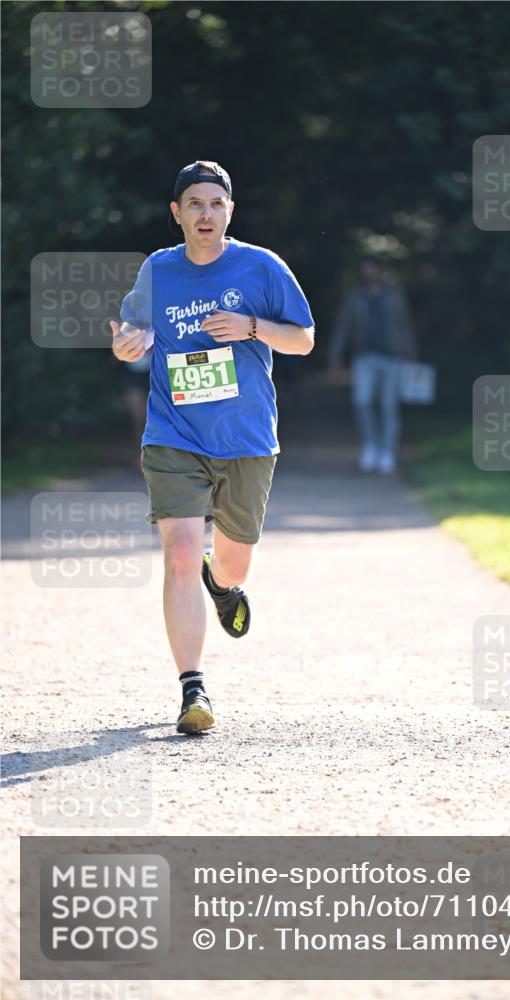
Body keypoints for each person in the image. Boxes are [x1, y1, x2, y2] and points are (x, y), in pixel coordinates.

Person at [110, 160, 315, 735]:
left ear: (230, 211)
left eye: (215, 204)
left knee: (233, 561)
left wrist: (251, 326)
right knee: (178, 553)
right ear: (177, 214)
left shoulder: (262, 267)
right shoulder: (158, 270)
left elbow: (303, 339)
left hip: (246, 438)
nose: (206, 213)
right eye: (194, 204)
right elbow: (133, 336)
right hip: (174, 434)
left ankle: (221, 585)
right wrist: (128, 346)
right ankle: (192, 689)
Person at [328, 258, 417, 474]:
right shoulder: (355, 296)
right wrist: (336, 354)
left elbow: (404, 324)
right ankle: (370, 446)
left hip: (392, 357)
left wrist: (411, 353)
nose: (368, 273)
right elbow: (345, 326)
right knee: (362, 402)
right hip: (365, 356)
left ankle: (387, 452)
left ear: (380, 270)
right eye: (364, 269)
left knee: (389, 406)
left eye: (371, 268)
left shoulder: (394, 294)